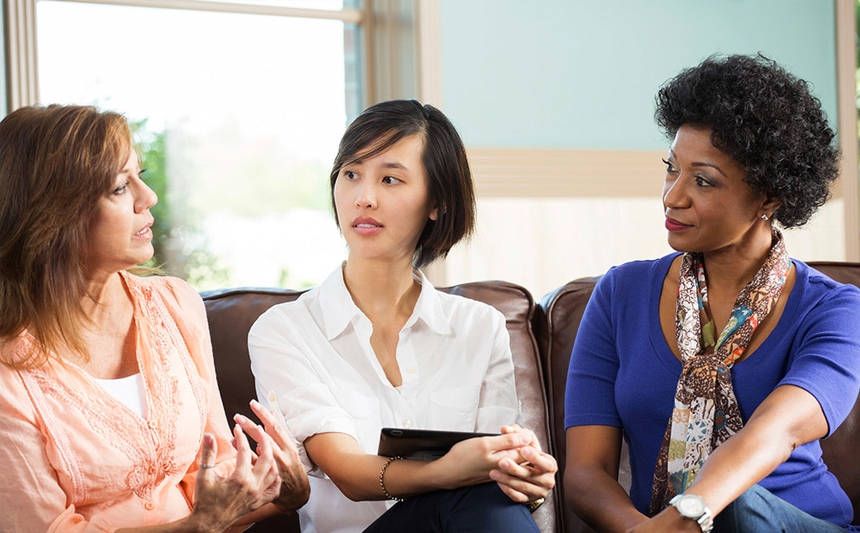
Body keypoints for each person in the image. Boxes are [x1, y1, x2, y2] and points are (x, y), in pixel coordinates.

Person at [563, 54, 860, 533]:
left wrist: (688, 516)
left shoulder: (835, 310)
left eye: (702, 180)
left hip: (794, 525)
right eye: (671, 169)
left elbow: (775, 432)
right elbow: (585, 473)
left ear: (769, 197)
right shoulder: (619, 294)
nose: (672, 196)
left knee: (737, 505)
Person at [249, 99, 557, 533]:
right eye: (351, 174)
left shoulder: (479, 326)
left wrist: (530, 480)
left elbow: (495, 474)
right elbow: (348, 472)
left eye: (390, 179)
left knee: (487, 497)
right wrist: (451, 471)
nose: (364, 197)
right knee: (477, 495)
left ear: (436, 203)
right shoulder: (285, 330)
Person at [0, 104, 310, 532]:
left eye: (139, 177)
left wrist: (284, 494)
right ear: (53, 215)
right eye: (120, 187)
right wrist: (194, 528)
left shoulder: (174, 304)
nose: (149, 198)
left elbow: (214, 488)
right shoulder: (8, 371)